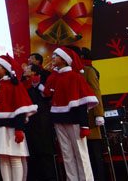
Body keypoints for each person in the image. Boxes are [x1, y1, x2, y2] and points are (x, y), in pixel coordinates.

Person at [36, 46, 99, 181]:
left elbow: (82, 101)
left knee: (80, 153)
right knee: (66, 153)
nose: (52, 57)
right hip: (58, 119)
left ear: (64, 60)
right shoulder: (55, 77)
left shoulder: (75, 77)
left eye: (56, 56)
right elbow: (48, 94)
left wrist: (84, 125)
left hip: (75, 119)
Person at [73, 46, 106, 181]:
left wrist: (99, 114)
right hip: (77, 120)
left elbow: (96, 92)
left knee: (95, 154)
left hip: (91, 119)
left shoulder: (88, 71)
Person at [22, 64, 57, 181]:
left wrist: (38, 85)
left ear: (33, 72)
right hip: (30, 123)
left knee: (45, 152)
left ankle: (50, 177)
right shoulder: (24, 84)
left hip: (42, 121)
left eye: (27, 68)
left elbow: (48, 96)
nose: (24, 69)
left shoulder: (43, 82)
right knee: (33, 152)